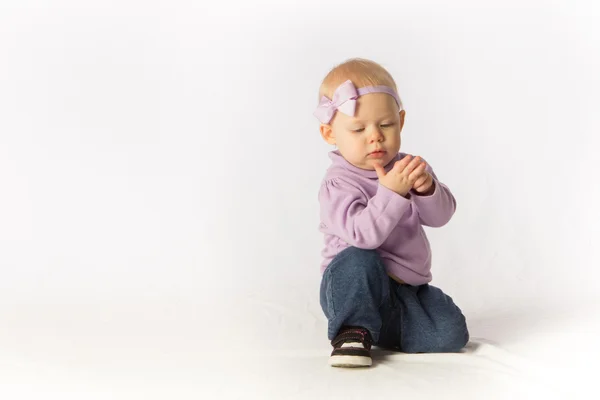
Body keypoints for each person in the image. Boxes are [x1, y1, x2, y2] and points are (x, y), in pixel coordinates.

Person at [315, 58, 469, 368]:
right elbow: (362, 235)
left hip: (404, 291)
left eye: (385, 124)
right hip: (352, 286)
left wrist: (426, 189)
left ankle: (385, 329)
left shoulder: (406, 167)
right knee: (360, 257)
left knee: (451, 333)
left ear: (400, 120)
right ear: (330, 133)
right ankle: (353, 330)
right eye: (358, 128)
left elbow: (440, 217)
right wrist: (392, 192)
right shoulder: (338, 182)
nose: (375, 136)